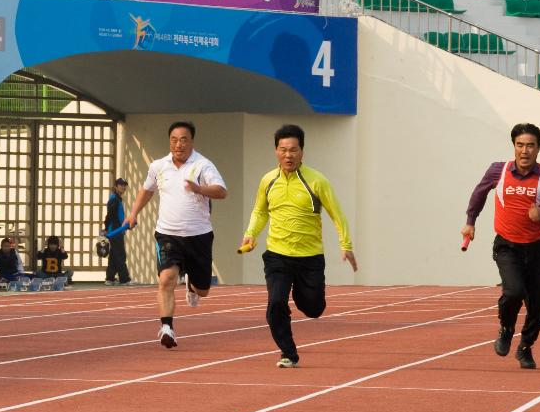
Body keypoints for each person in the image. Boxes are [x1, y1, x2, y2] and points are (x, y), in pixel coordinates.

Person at [239, 124, 357, 368]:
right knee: (276, 304)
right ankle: (288, 352)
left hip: (310, 257)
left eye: (293, 150)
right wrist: (251, 233)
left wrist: (346, 245)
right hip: (277, 256)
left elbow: (337, 214)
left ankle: (300, 295)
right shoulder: (268, 180)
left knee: (313, 308)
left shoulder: (317, 181)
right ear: (275, 151)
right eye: (283, 150)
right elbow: (260, 211)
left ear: (302, 151)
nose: (288, 155)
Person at [462, 123, 540, 370]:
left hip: (537, 249)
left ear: (538, 148)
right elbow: (479, 193)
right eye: (520, 145)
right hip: (507, 246)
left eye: (530, 145)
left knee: (539, 308)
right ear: (514, 147)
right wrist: (470, 222)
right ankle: (506, 328)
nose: (525, 151)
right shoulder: (499, 170)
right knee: (514, 292)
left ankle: (525, 347)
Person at [124, 121, 228, 348]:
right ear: (169, 141)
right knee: (166, 279)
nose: (178, 144)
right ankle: (166, 327)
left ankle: (192, 285)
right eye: (174, 139)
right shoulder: (158, 166)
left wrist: (200, 189)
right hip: (167, 234)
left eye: (183, 139)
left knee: (204, 290)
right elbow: (146, 190)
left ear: (191, 141)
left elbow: (221, 191)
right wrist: (133, 213)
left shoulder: (203, 165)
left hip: (199, 235)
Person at [104, 177, 132, 285]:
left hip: (118, 230)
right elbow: (109, 216)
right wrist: (106, 229)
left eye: (125, 185)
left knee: (114, 255)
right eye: (121, 185)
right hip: (114, 231)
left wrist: (125, 226)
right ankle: (124, 279)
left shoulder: (117, 198)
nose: (124, 187)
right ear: (116, 186)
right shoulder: (114, 199)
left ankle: (110, 278)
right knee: (120, 255)